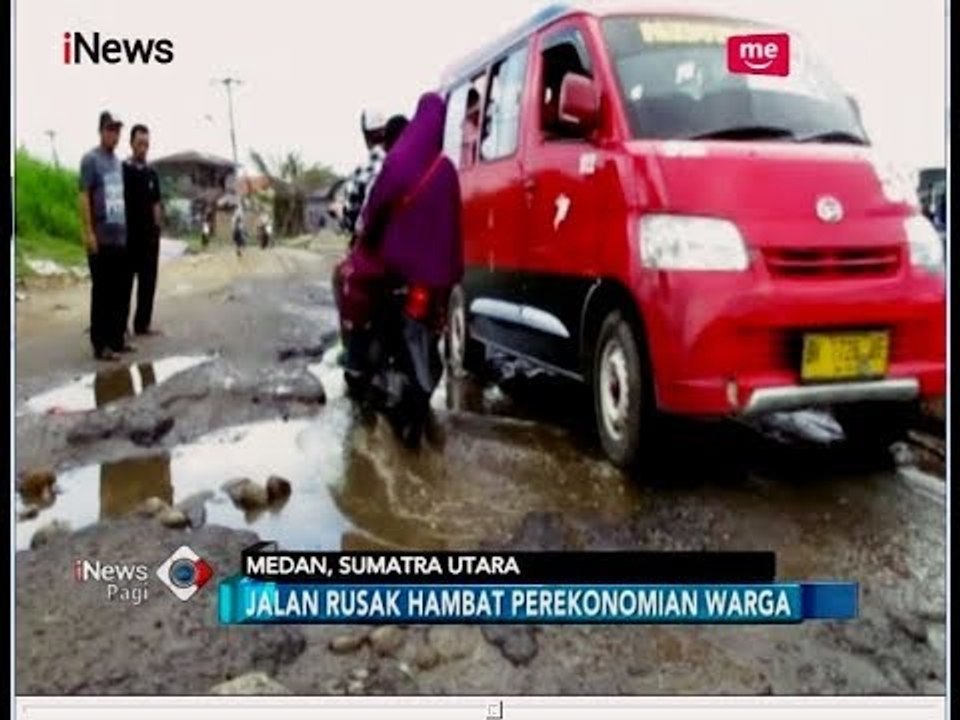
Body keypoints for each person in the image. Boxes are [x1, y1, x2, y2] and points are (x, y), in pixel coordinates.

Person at [340, 93, 463, 420]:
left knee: (355, 292)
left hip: (392, 266)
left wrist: (364, 240)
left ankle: (355, 369)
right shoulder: (445, 169)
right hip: (432, 274)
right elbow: (453, 226)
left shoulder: (395, 164)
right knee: (433, 329)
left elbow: (369, 213)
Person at [78, 111, 135, 361]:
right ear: (101, 131)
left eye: (117, 130)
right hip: (100, 237)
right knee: (102, 292)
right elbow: (83, 196)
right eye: (110, 129)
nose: (115, 134)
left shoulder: (117, 163)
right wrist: (89, 231)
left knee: (120, 292)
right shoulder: (91, 160)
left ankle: (117, 340)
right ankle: (100, 345)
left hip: (119, 237)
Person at [122, 124, 164, 337]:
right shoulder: (123, 170)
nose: (143, 148)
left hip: (149, 238)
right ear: (131, 143)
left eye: (146, 144)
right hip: (128, 237)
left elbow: (156, 203)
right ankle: (121, 327)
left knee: (148, 282)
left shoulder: (151, 173)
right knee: (125, 284)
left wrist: (158, 229)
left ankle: (142, 324)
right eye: (140, 143)